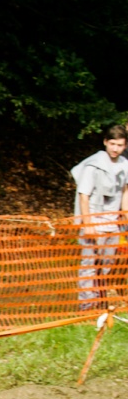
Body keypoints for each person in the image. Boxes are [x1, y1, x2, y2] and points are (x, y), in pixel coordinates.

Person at [71, 124, 128, 310]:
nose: (115, 148)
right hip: (94, 222)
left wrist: (125, 218)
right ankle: (87, 306)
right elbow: (83, 195)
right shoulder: (94, 165)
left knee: (106, 265)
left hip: (113, 224)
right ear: (105, 142)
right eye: (112, 144)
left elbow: (125, 191)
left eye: (120, 145)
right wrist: (88, 224)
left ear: (125, 146)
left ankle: (100, 304)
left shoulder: (125, 165)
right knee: (89, 265)